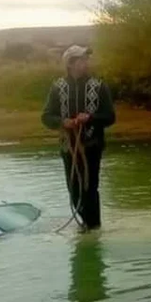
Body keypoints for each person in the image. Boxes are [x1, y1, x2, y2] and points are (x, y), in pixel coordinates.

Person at [42, 45, 117, 230]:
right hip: (68, 148)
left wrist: (90, 118)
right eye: (82, 60)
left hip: (92, 146)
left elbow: (110, 117)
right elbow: (46, 116)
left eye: (86, 59)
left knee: (90, 189)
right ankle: (87, 225)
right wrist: (62, 122)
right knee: (74, 190)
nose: (86, 63)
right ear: (71, 64)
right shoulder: (57, 88)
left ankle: (93, 228)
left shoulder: (99, 86)